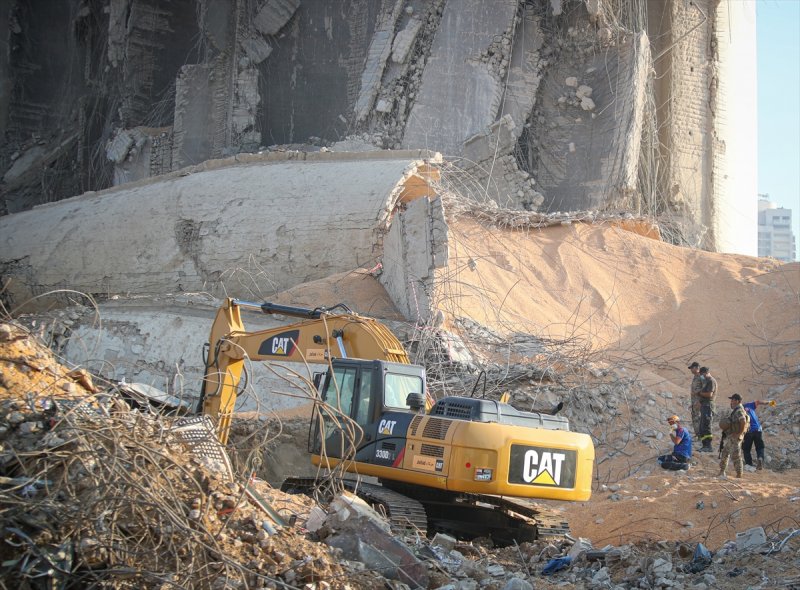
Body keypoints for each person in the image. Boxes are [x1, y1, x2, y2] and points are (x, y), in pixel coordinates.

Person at [718, 394, 750, 478]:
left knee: (736, 455)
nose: (731, 402)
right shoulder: (737, 410)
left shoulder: (739, 410)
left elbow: (743, 421)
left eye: (732, 400)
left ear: (737, 401)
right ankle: (722, 471)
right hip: (732, 436)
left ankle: (739, 474)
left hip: (735, 437)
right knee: (725, 452)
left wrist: (739, 434)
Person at [742, 398, 776, 470]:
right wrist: (770, 402)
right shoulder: (749, 405)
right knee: (759, 447)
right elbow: (759, 402)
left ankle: (749, 465)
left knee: (746, 449)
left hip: (748, 431)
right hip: (758, 429)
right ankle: (760, 458)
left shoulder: (738, 410)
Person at [697, 367, 717, 452]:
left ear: (705, 372)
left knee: (706, 425)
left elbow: (709, 394)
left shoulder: (711, 381)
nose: (701, 376)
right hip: (704, 405)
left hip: (708, 405)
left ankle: (708, 446)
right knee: (702, 426)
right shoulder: (707, 381)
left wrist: (700, 393)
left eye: (702, 374)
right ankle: (704, 445)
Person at [688, 362, 703, 438]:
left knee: (698, 418)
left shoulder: (701, 377)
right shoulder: (695, 377)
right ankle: (697, 434)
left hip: (699, 402)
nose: (691, 369)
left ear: (696, 368)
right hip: (694, 402)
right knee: (694, 417)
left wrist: (700, 401)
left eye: (692, 368)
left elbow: (704, 389)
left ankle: (700, 435)